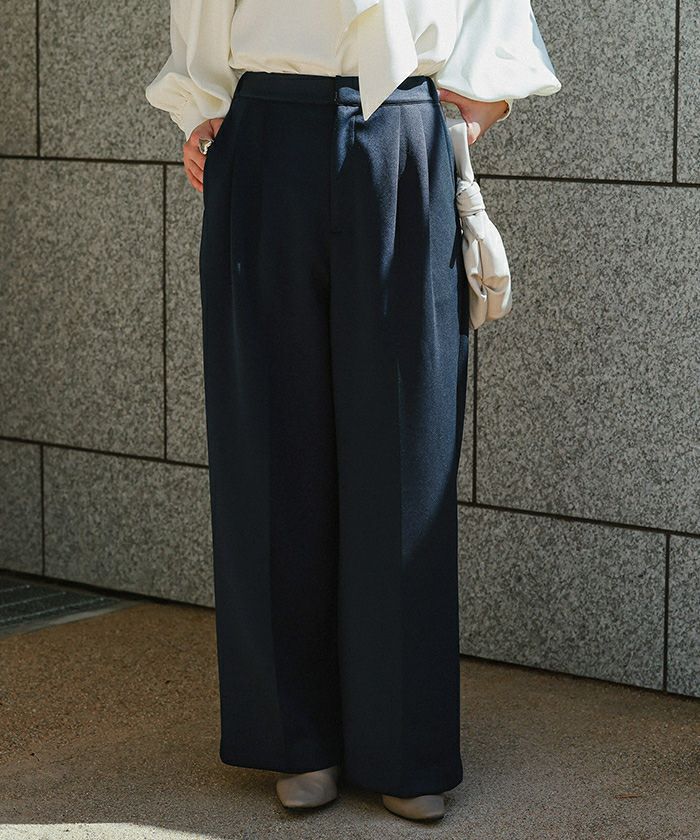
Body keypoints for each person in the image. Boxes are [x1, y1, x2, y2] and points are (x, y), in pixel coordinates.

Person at [145, 0, 561, 823]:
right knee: (269, 440)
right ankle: (293, 738)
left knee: (406, 444)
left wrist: (467, 109)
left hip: (403, 125)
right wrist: (201, 109)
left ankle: (406, 745)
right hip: (263, 126)